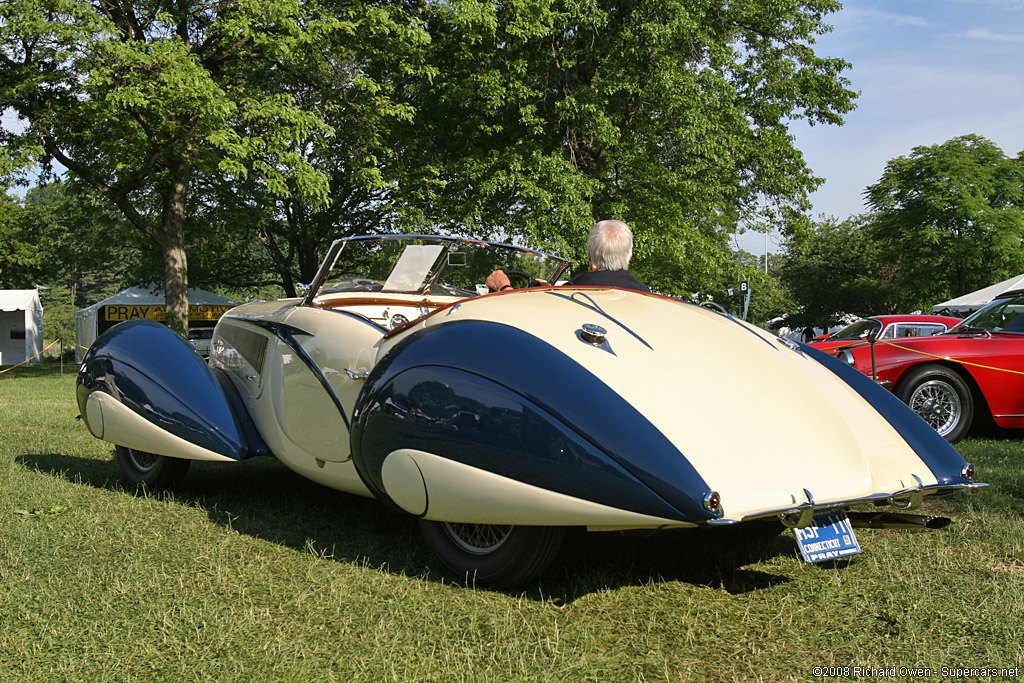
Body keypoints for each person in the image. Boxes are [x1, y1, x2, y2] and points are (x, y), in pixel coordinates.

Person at [485, 219, 650, 293]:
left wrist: (504, 287)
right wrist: (550, 289)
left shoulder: (578, 289)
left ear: (591, 259)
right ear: (628, 256)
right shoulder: (644, 293)